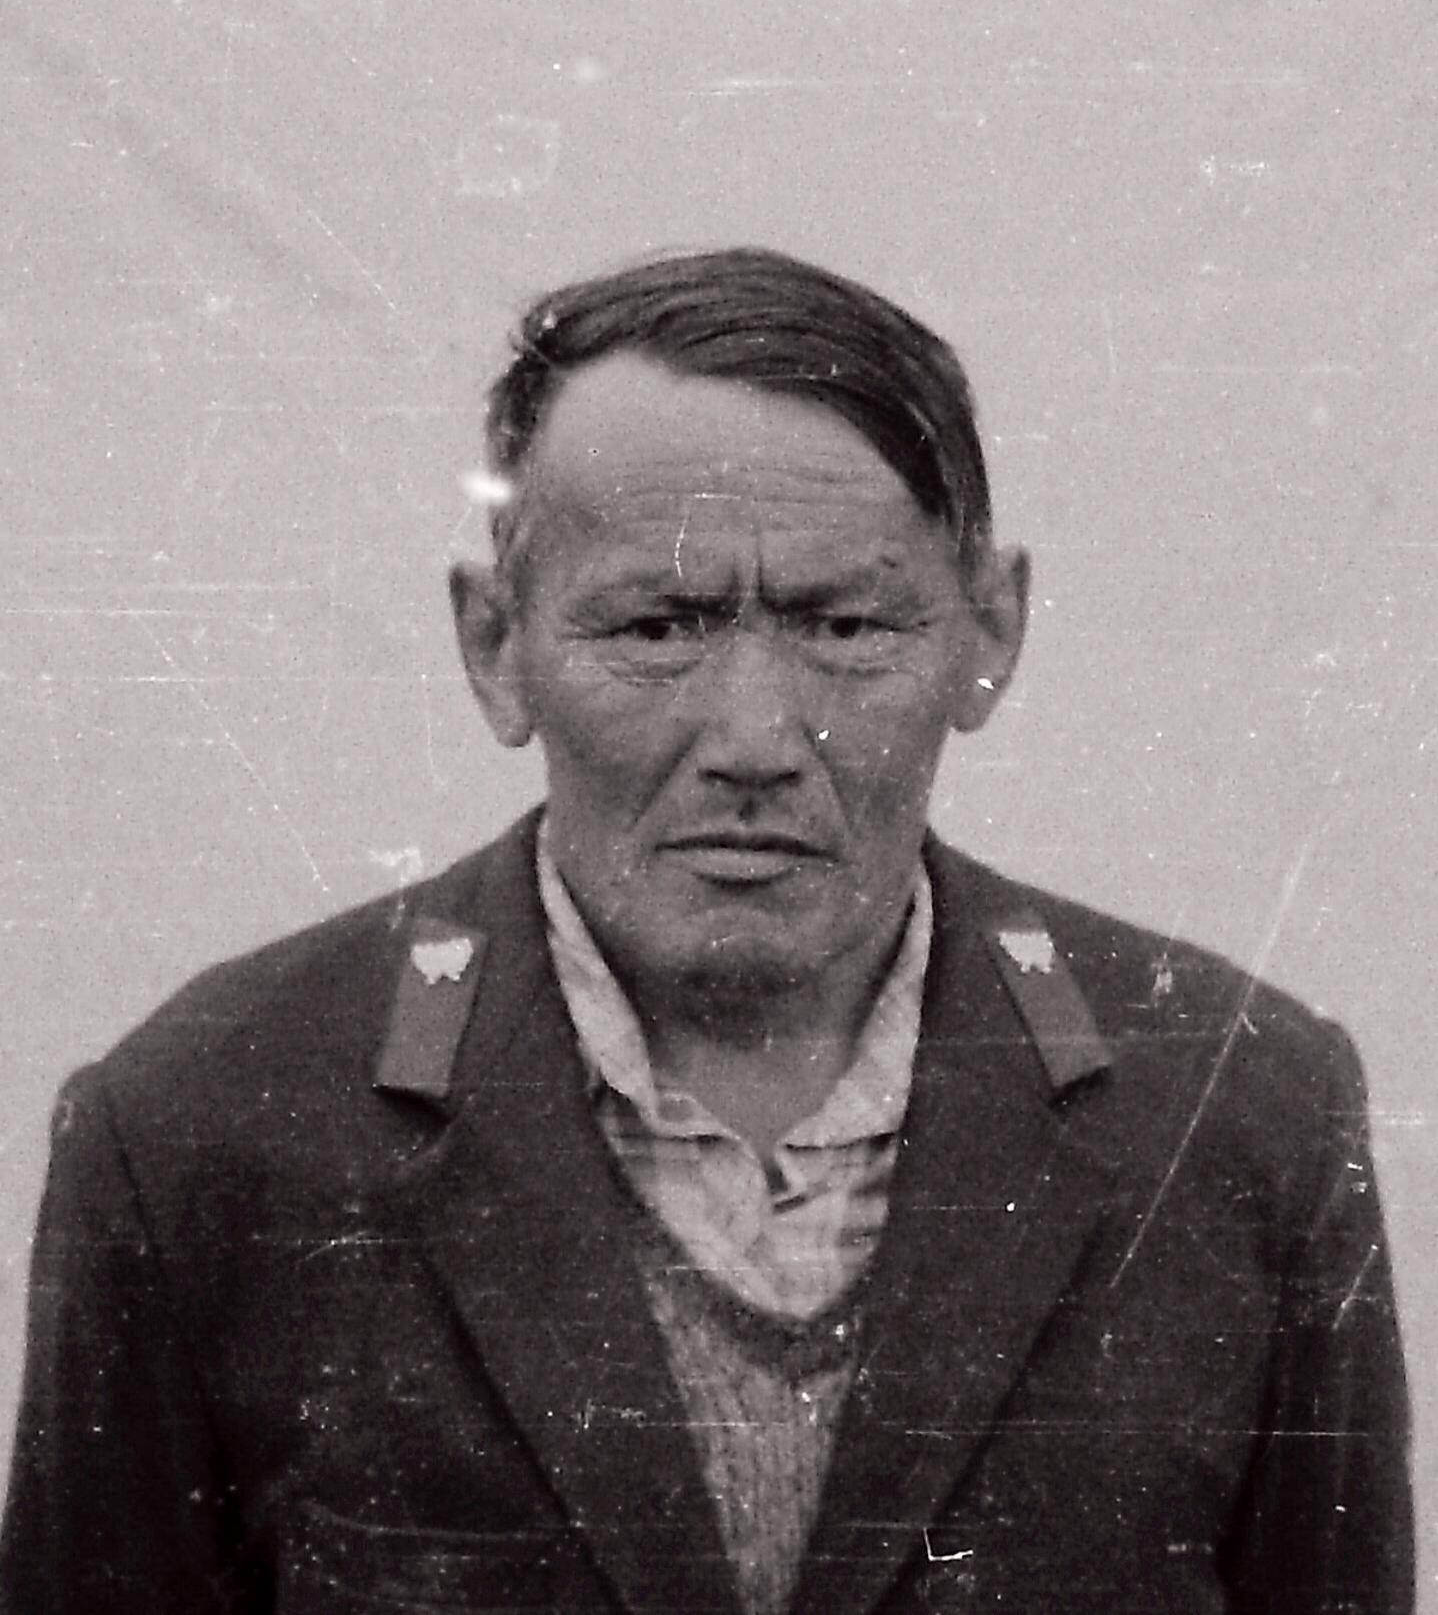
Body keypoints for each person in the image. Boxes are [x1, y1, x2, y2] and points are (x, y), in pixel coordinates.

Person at [0, 247, 1413, 1615]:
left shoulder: (1244, 1120)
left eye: (847, 627)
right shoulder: (198, 1133)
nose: (753, 740)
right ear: (495, 644)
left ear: (990, 629)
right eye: (656, 626)